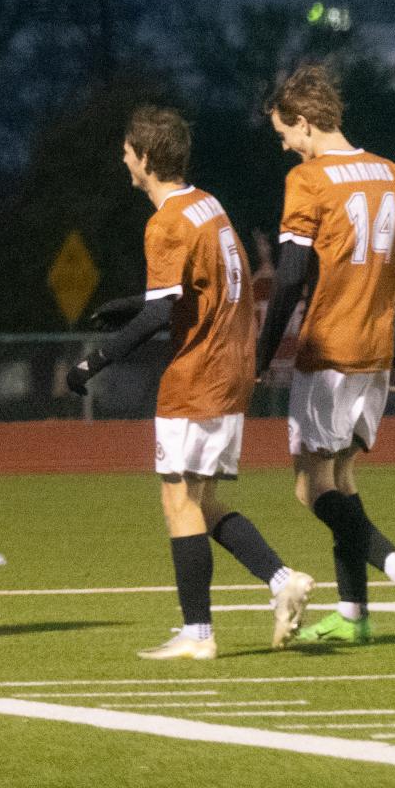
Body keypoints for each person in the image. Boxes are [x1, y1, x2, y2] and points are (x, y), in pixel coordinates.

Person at [67, 105, 315, 660]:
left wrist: (93, 363)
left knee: (178, 500)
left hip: (196, 373)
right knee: (203, 501)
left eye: (129, 150)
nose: (124, 158)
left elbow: (162, 317)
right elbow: (193, 291)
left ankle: (197, 633)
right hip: (231, 372)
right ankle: (281, 581)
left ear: (147, 158)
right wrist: (130, 306)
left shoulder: (166, 221)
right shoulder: (209, 205)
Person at [254, 62, 395, 646]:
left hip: (329, 349)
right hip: (377, 353)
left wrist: (263, 355)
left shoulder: (309, 183)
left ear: (306, 122)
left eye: (285, 133)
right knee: (342, 477)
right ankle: (354, 614)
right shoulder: (393, 174)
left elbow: (287, 279)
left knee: (310, 487)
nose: (285, 146)